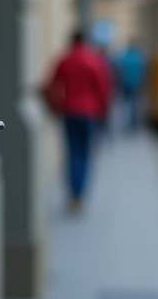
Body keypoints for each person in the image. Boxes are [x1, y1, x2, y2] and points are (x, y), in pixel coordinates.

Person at [44, 31, 113, 212]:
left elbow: (51, 86)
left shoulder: (65, 60)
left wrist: (55, 107)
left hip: (69, 111)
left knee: (72, 152)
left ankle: (73, 194)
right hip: (90, 113)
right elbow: (103, 88)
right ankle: (80, 194)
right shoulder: (94, 60)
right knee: (85, 153)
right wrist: (104, 112)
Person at [115, 39, 147, 131]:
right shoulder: (138, 58)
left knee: (125, 104)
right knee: (135, 105)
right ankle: (134, 124)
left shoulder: (124, 57)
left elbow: (119, 72)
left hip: (125, 84)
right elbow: (143, 72)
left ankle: (125, 123)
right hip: (136, 84)